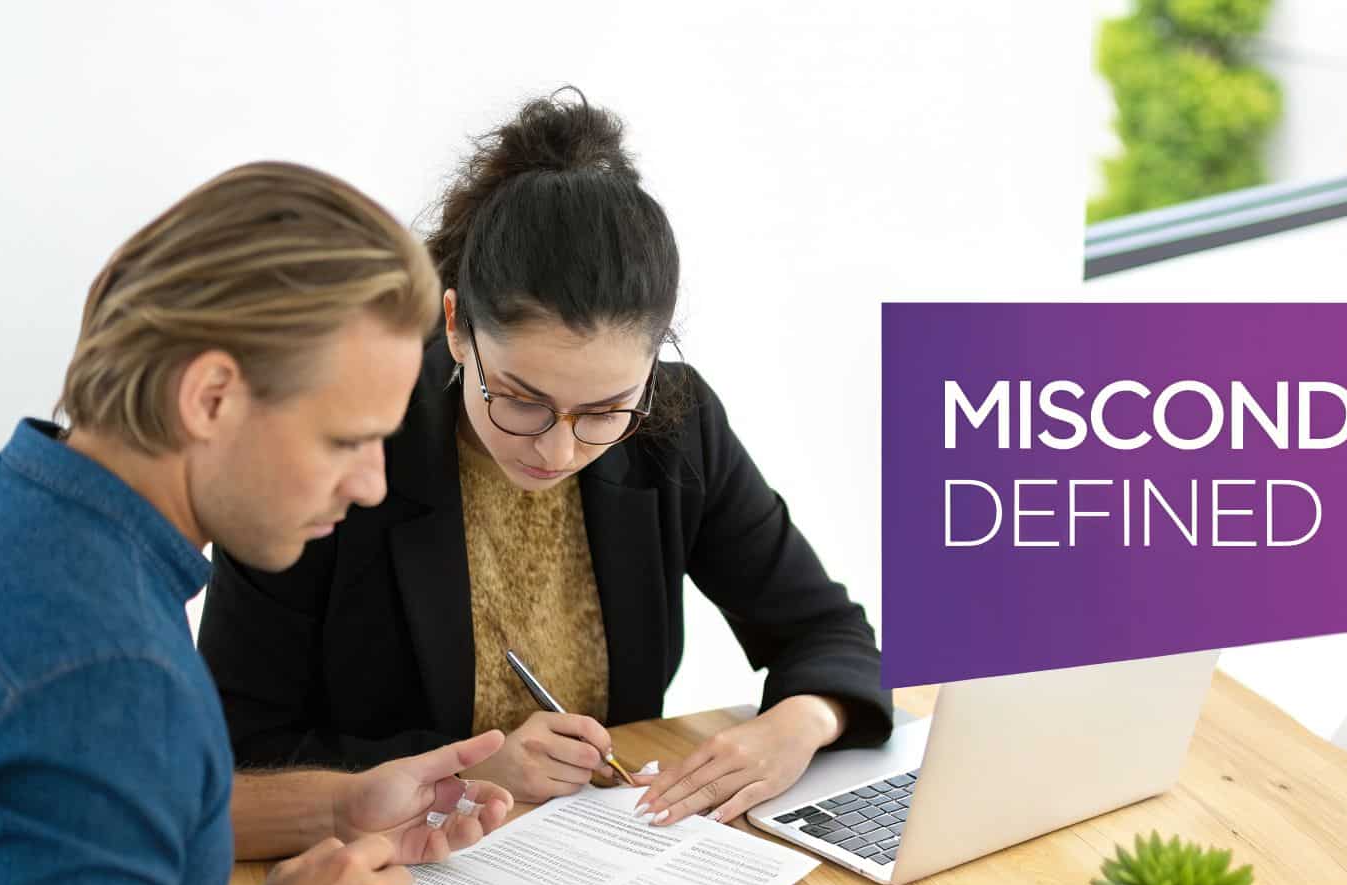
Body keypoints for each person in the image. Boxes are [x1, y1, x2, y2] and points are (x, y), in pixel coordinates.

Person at [200, 90, 892, 828]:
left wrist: (802, 721)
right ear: (457, 326)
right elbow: (236, 756)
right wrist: (461, 767)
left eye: (605, 410)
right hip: (379, 866)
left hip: (594, 852)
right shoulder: (349, 445)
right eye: (521, 400)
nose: (560, 450)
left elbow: (829, 631)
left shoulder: (675, 426)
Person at [0, 161, 515, 885]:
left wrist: (343, 804)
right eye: (347, 439)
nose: (372, 485)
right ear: (210, 397)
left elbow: (73, 805)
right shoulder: (114, 683)